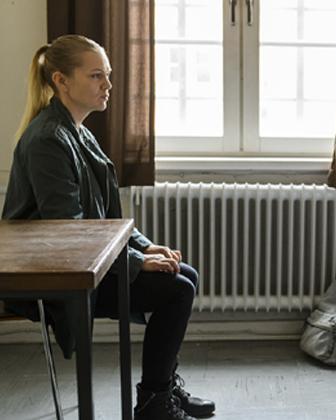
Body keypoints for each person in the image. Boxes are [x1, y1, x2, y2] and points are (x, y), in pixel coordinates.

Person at [2, 34, 215, 420]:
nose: (108, 85)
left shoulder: (77, 130)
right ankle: (153, 404)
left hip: (82, 259)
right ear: (61, 81)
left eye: (108, 75)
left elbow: (101, 218)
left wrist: (144, 247)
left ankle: (162, 389)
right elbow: (69, 231)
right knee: (177, 289)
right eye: (96, 75)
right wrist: (136, 262)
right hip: (52, 275)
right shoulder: (48, 140)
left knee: (185, 274)